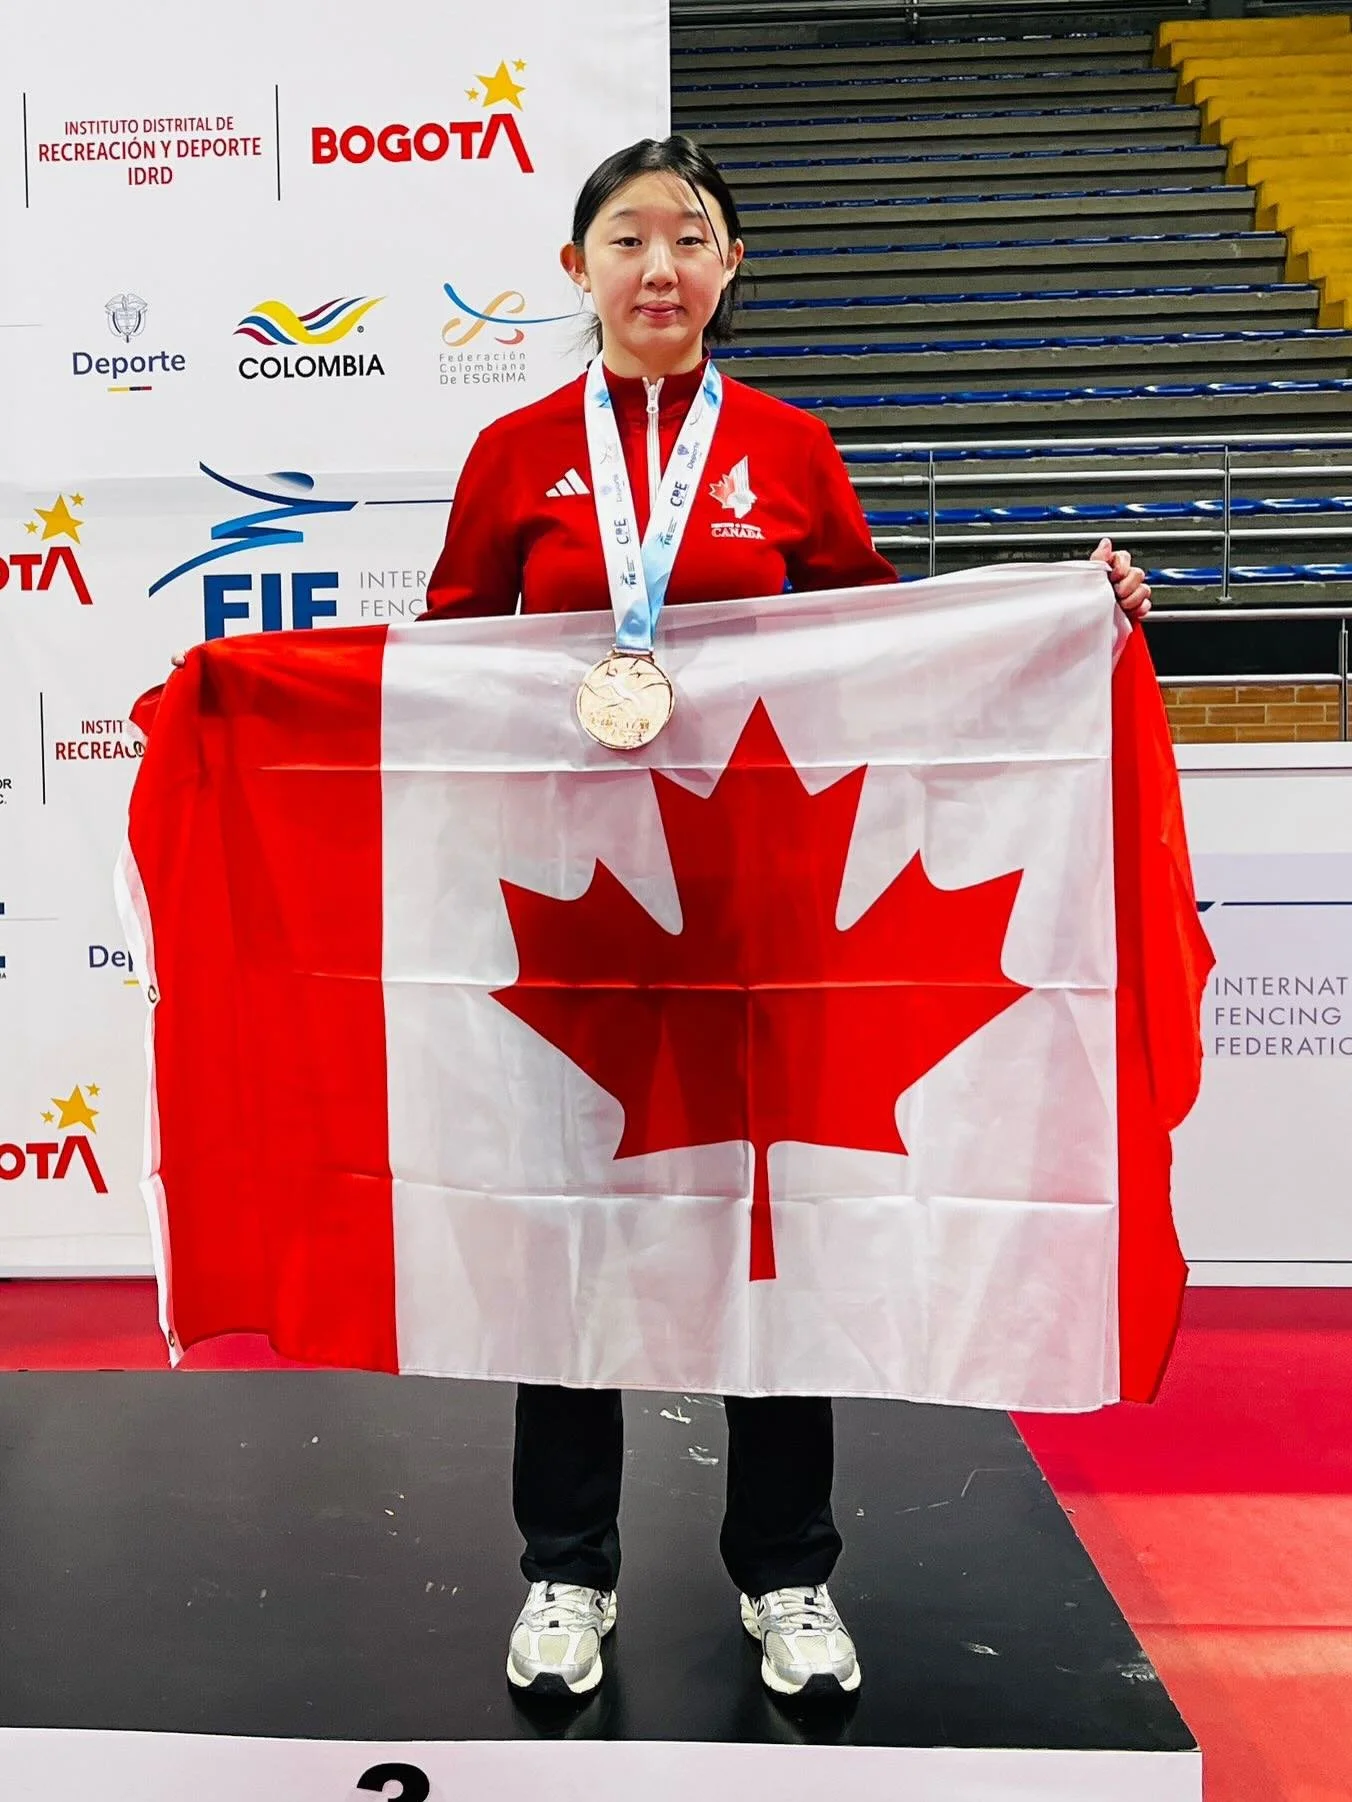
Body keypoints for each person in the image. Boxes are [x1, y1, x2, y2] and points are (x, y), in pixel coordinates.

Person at [417, 135, 1152, 1703]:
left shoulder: (793, 447)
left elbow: (889, 642)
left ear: (731, 265)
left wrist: (1068, 612)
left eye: (691, 237)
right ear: (578, 270)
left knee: (777, 1240)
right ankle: (564, 1569)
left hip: (763, 912)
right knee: (577, 1241)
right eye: (628, 238)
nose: (660, 266)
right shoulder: (515, 456)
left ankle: (791, 1573)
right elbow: (447, 671)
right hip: (586, 919)